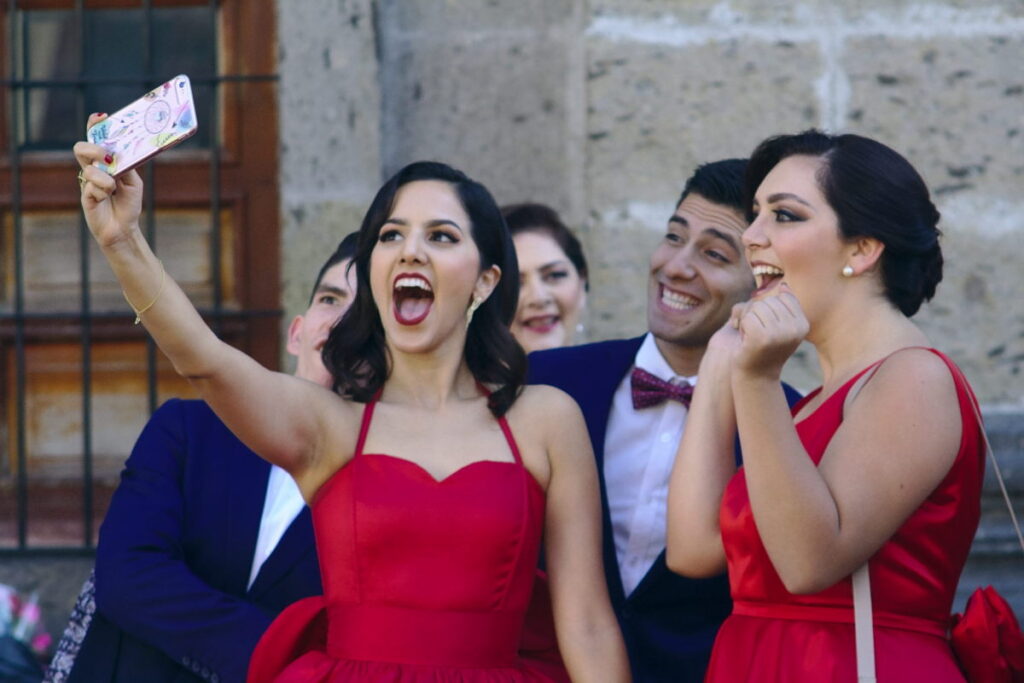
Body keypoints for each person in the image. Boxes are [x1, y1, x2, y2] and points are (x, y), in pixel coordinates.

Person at [74, 115, 630, 683]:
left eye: (440, 236)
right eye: (391, 235)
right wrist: (123, 241)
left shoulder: (546, 419)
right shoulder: (332, 425)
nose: (410, 251)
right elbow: (204, 360)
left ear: (485, 282)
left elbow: (586, 623)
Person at [666, 130, 989, 681]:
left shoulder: (914, 376)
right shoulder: (812, 403)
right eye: (756, 213)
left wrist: (760, 379)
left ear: (861, 250)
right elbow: (693, 551)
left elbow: (809, 563)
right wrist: (722, 367)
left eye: (785, 216)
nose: (752, 236)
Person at [527, 159, 802, 682]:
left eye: (714, 254)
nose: (676, 266)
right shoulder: (545, 380)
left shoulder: (792, 423)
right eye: (673, 237)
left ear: (764, 281)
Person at [46, 233, 359, 683]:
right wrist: (285, 656)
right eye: (330, 299)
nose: (342, 323)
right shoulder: (190, 429)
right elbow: (127, 576)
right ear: (297, 333)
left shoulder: (386, 485)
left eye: (364, 313)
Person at [502, 203, 588, 353]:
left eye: (555, 275)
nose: (539, 298)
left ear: (582, 283)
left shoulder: (625, 374)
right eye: (514, 282)